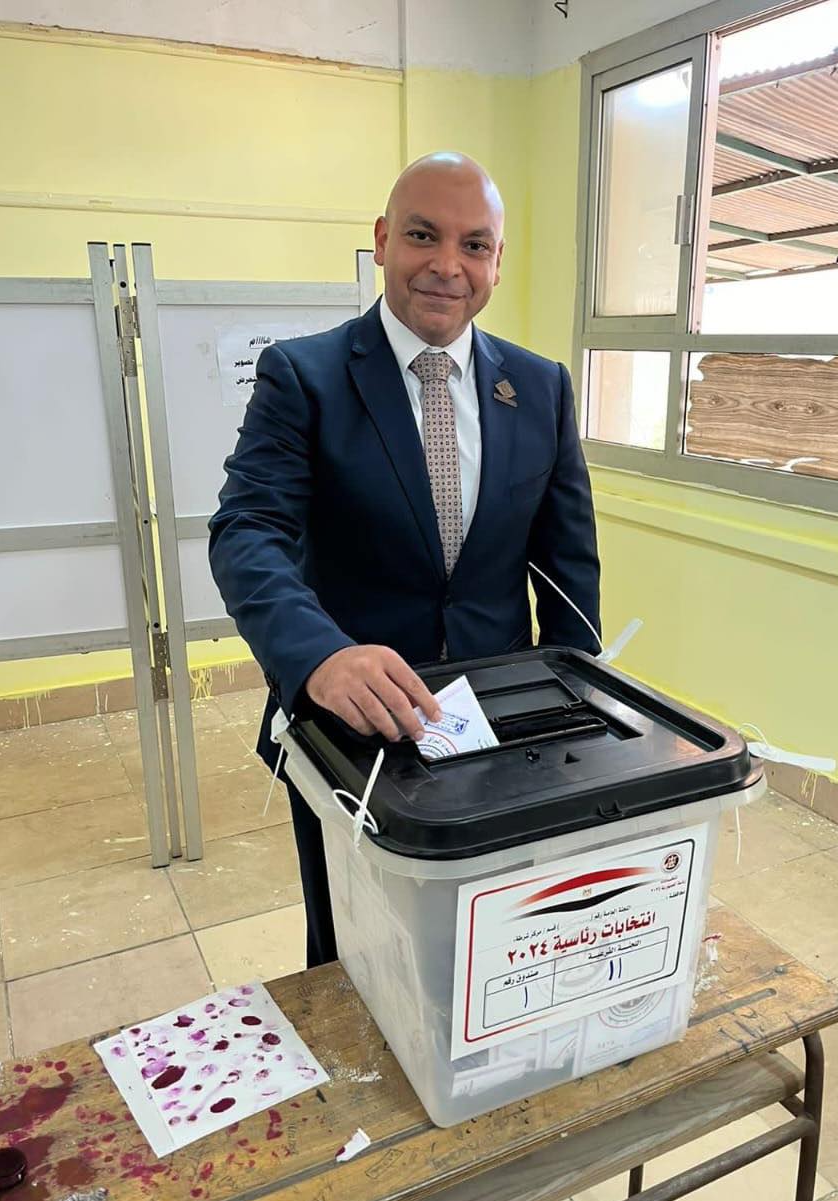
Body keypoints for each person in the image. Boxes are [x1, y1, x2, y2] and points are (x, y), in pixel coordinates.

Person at [209, 151, 600, 968]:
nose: (447, 265)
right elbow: (246, 530)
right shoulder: (304, 376)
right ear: (384, 240)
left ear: (497, 261)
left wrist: (583, 709)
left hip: (501, 726)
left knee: (496, 939)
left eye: (474, 245)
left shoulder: (541, 387)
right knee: (357, 952)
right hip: (353, 728)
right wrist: (319, 656)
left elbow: (567, 566)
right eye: (424, 236)